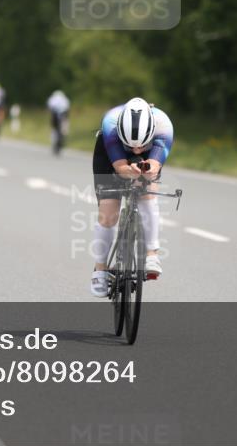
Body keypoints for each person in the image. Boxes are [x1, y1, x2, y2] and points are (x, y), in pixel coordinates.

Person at [89, 97, 174, 298]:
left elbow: (155, 165)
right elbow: (120, 168)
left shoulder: (164, 126)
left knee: (147, 191)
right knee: (108, 213)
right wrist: (129, 170)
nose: (136, 150)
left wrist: (148, 171)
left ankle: (152, 254)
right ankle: (100, 269)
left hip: (150, 151)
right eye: (132, 146)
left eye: (140, 146)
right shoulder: (110, 125)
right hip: (110, 155)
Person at [47, 89, 71, 155]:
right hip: (63, 116)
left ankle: (55, 142)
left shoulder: (52, 99)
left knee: (54, 130)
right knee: (64, 130)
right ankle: (61, 140)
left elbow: (50, 108)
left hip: (55, 117)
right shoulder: (65, 100)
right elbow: (68, 109)